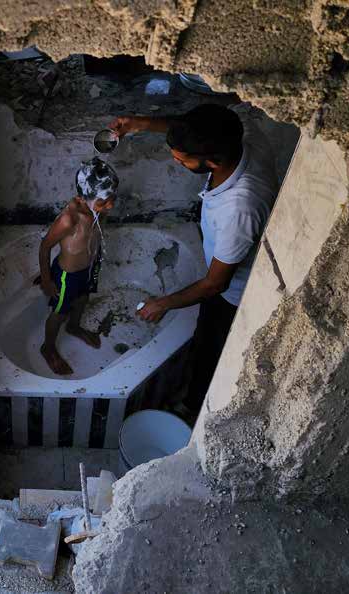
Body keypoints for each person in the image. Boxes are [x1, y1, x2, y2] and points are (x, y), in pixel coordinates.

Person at [110, 104, 278, 418]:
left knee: (208, 350)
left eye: (181, 158)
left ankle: (192, 409)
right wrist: (142, 122)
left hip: (231, 295)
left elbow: (216, 283)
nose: (175, 159)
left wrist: (162, 304)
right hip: (222, 256)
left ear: (211, 162)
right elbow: (196, 128)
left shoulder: (239, 210)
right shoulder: (241, 133)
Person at [37, 158, 119, 375]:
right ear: (82, 199)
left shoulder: (98, 209)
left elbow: (93, 237)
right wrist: (47, 279)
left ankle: (74, 326)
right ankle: (48, 347)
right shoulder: (69, 220)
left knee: (83, 298)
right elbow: (45, 246)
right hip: (67, 275)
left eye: (112, 199)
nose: (109, 206)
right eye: (103, 202)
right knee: (59, 311)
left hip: (89, 268)